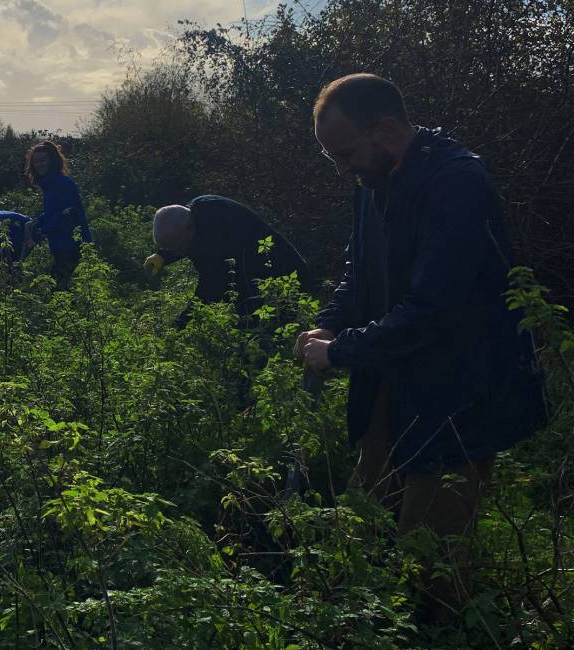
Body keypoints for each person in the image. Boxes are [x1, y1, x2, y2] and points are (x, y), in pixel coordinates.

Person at [295, 73, 546, 615]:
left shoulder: (455, 182)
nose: (342, 169)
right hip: (394, 375)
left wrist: (339, 353)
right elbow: (357, 272)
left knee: (431, 555)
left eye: (346, 153)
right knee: (372, 508)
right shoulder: (373, 181)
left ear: (385, 128)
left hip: (457, 392)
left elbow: (436, 308)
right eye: (332, 158)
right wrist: (330, 325)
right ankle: (374, 616)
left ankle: (444, 628)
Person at [143, 196, 309, 327]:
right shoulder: (196, 211)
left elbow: (209, 289)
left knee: (266, 334)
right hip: (256, 280)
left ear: (190, 229)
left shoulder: (218, 235)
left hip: (282, 278)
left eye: (178, 247)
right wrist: (163, 256)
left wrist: (180, 325)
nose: (179, 252)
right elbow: (186, 240)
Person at [23, 141, 92, 289]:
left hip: (72, 244)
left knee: (61, 289)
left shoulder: (61, 183)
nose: (39, 164)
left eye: (43, 160)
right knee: (59, 286)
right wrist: (36, 222)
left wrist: (43, 231)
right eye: (36, 161)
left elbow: (66, 215)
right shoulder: (49, 183)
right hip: (60, 244)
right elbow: (53, 212)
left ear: (52, 161)